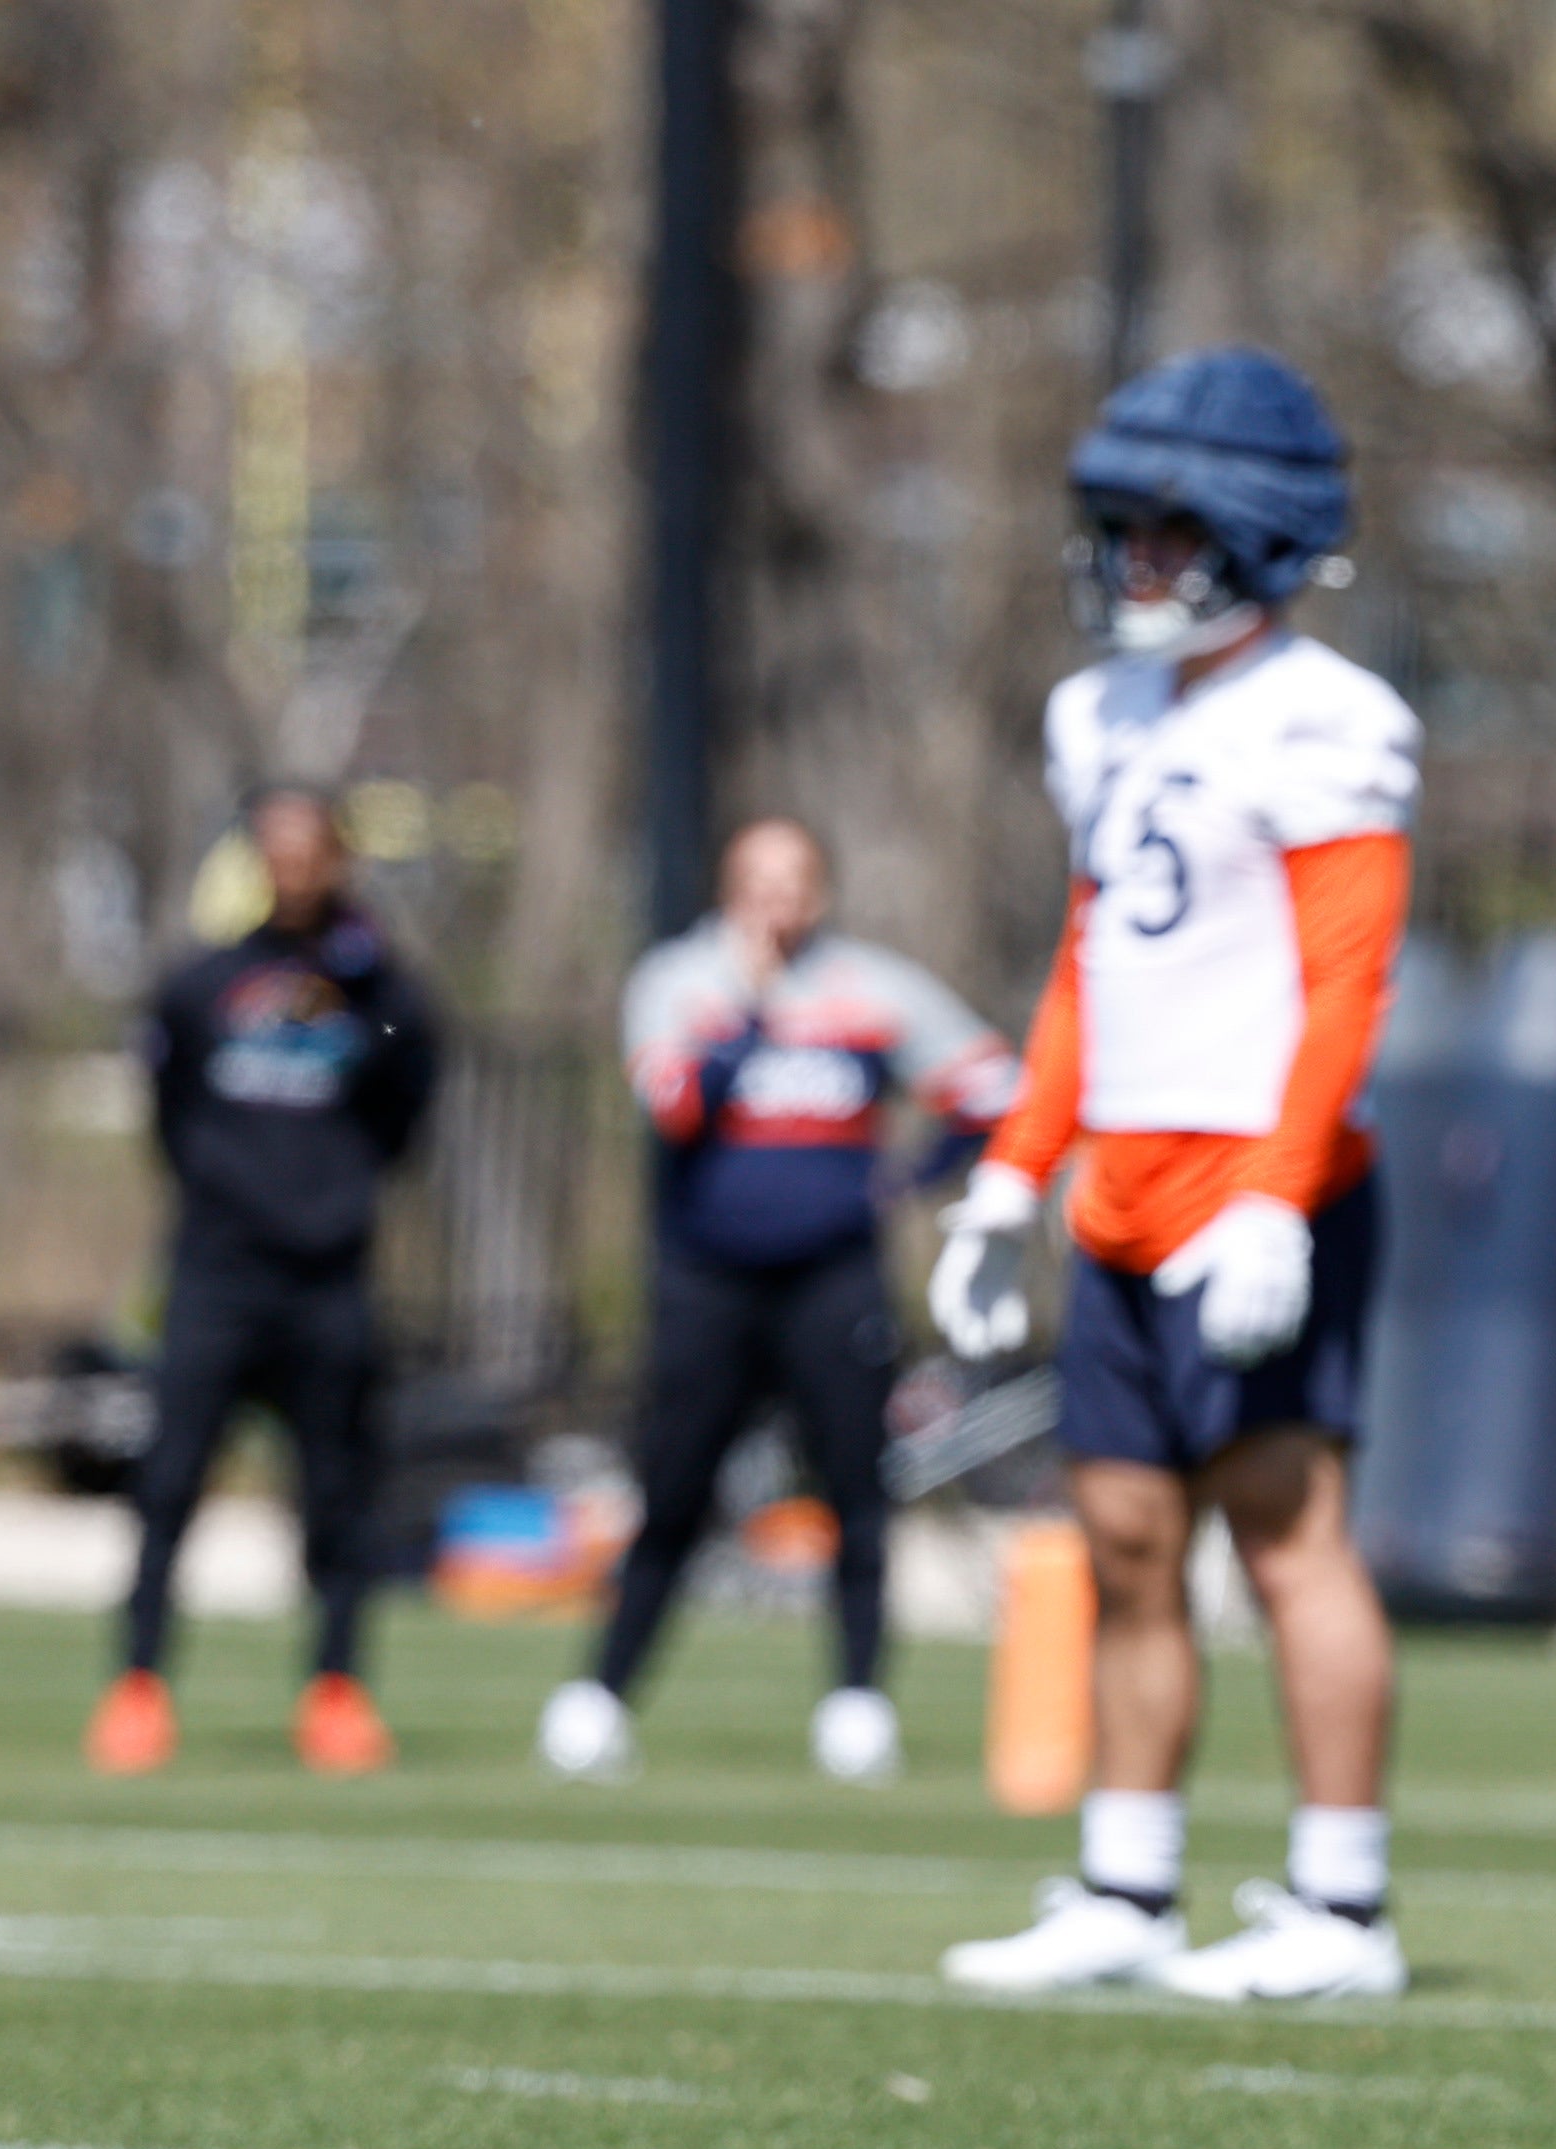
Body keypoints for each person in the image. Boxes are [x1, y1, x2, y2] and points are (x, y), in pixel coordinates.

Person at [929, 347, 1419, 2005]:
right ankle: (1127, 1881)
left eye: (1171, 525)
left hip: (1261, 1188)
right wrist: (1013, 1173)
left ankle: (1340, 1903)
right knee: (1127, 1539)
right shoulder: (1101, 711)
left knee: (1290, 1541)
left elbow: (1349, 975)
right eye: (1119, 523)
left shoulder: (1329, 720)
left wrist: (1280, 1191)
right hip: (1119, 1193)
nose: (1135, 556)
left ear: (1262, 535)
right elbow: (1091, 964)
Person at [538, 818, 1017, 1787]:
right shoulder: (677, 982)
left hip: (833, 1278)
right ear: (727, 884)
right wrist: (750, 1011)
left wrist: (910, 1177)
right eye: (757, 879)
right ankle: (600, 1699)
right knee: (674, 1488)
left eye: (795, 879)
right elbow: (674, 1108)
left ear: (823, 890)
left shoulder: (873, 987)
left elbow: (999, 1088)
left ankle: (855, 1704)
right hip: (707, 1279)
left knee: (855, 1490)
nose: (776, 899)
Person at [86, 786, 442, 1777]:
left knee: (339, 1494)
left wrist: (335, 1193)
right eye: (276, 852)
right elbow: (170, 1111)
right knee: (169, 1485)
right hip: (218, 1274)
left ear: (339, 862)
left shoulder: (373, 994)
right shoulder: (203, 985)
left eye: (312, 852)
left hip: (329, 1281)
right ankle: (139, 1687)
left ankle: (335, 1691)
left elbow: (407, 1092)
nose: (295, 869)